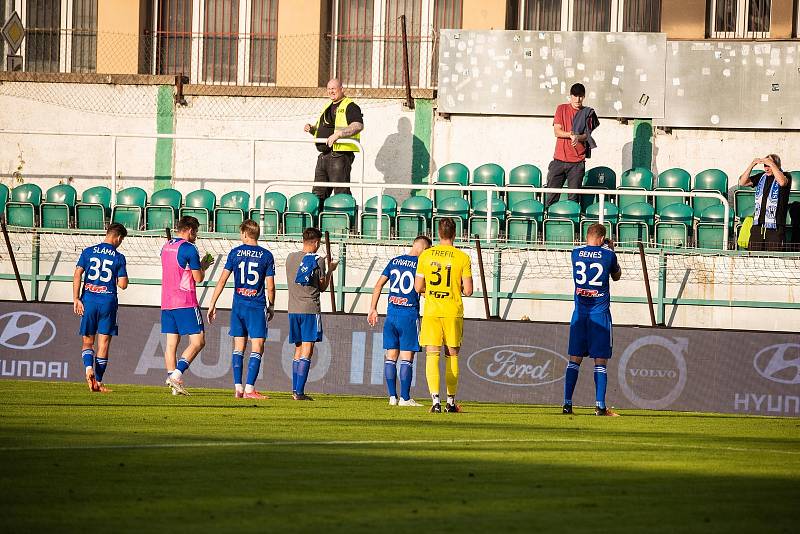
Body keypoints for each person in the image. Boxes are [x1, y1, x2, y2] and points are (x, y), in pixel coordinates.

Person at [207, 219, 276, 399]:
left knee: (238, 347)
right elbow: (270, 286)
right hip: (256, 306)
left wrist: (212, 303)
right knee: (257, 346)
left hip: (238, 306)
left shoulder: (235, 253)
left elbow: (222, 280)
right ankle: (249, 389)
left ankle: (238, 387)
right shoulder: (266, 255)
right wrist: (272, 305)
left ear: (245, 234)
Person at [563, 223, 622, 416]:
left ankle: (567, 404)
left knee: (574, 360)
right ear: (603, 238)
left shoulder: (575, 253)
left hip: (579, 314)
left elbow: (587, 253)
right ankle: (600, 406)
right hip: (600, 315)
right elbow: (617, 276)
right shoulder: (608, 255)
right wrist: (611, 249)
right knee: (600, 362)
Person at [414, 218, 473, 414]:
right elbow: (469, 291)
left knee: (432, 355)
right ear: (455, 233)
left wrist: (429, 292)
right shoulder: (462, 257)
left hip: (432, 311)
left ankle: (435, 402)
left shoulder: (426, 256)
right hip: (452, 311)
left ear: (438, 234)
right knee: (452, 356)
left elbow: (418, 287)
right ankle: (450, 402)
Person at [367, 235, 432, 407]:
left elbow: (378, 285)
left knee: (390, 357)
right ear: (424, 250)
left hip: (391, 315)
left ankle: (392, 397)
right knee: (406, 359)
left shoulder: (395, 261)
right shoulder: (421, 264)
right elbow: (421, 290)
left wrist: (373, 308)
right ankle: (404, 398)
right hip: (408, 315)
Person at [72, 223, 129, 393]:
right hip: (108, 303)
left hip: (88, 301)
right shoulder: (118, 257)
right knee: (103, 345)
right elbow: (123, 285)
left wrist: (76, 299)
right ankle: (98, 381)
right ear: (118, 237)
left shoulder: (88, 251)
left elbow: (77, 274)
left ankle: (88, 369)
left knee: (87, 342)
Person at [161, 216, 214, 395]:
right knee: (198, 341)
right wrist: (204, 266)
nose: (196, 235)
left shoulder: (166, 246)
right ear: (190, 230)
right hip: (185, 301)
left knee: (171, 344)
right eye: (196, 232)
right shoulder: (189, 248)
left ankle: (174, 386)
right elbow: (198, 278)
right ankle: (175, 376)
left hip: (167, 302)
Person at [285, 227, 338, 400]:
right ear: (316, 242)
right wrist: (330, 270)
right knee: (308, 349)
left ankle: (295, 390)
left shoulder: (290, 258)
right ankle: (299, 393)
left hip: (293, 309)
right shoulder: (318, 260)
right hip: (310, 309)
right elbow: (322, 288)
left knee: (298, 349)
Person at [304, 78, 364, 203]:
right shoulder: (328, 106)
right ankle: (317, 221)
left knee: (341, 194)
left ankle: (344, 220)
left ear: (341, 89)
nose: (331, 91)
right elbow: (324, 129)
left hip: (339, 155)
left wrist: (339, 135)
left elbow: (358, 125)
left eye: (334, 88)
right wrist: (311, 129)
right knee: (317, 194)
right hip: (323, 156)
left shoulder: (350, 106)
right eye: (329, 89)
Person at [545, 83, 597, 209]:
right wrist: (570, 134)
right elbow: (557, 131)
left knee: (573, 199)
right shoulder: (561, 109)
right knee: (551, 196)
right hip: (559, 160)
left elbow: (587, 135)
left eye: (580, 96)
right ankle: (548, 225)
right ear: (570, 96)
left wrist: (577, 137)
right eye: (575, 96)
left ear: (584, 97)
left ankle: (572, 226)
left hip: (577, 162)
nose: (577, 99)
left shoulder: (588, 113)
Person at [739, 154, 791, 251]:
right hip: (758, 224)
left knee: (774, 258)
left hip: (775, 225)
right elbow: (742, 182)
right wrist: (752, 164)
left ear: (777, 165)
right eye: (765, 166)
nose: (766, 169)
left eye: (769, 166)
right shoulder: (761, 177)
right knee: (754, 256)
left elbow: (782, 182)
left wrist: (771, 163)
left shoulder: (786, 176)